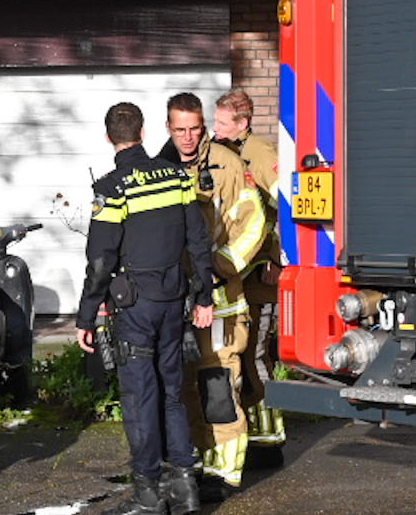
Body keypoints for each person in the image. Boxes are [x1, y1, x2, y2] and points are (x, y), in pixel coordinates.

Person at [77, 101, 216, 515]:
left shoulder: (112, 187)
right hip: (174, 302)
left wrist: (87, 316)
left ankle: (148, 495)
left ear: (109, 137)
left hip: (134, 307)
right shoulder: (176, 176)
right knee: (172, 393)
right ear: (143, 131)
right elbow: (199, 239)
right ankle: (186, 489)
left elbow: (100, 260)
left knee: (140, 397)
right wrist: (204, 295)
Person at [159, 92, 266, 501]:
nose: (188, 137)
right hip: (176, 301)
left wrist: (223, 264)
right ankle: (200, 465)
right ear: (168, 128)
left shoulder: (228, 164)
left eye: (195, 128)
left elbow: (253, 221)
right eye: (180, 129)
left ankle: (227, 474)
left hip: (221, 301)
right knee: (185, 386)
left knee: (218, 384)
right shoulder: (159, 168)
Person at [210, 89, 288, 463]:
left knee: (256, 353)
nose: (214, 128)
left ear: (242, 123)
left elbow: (286, 206)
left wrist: (277, 257)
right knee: (241, 352)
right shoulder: (225, 154)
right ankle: (255, 431)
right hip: (239, 272)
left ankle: (269, 438)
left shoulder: (260, 154)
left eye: (221, 123)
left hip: (260, 273)